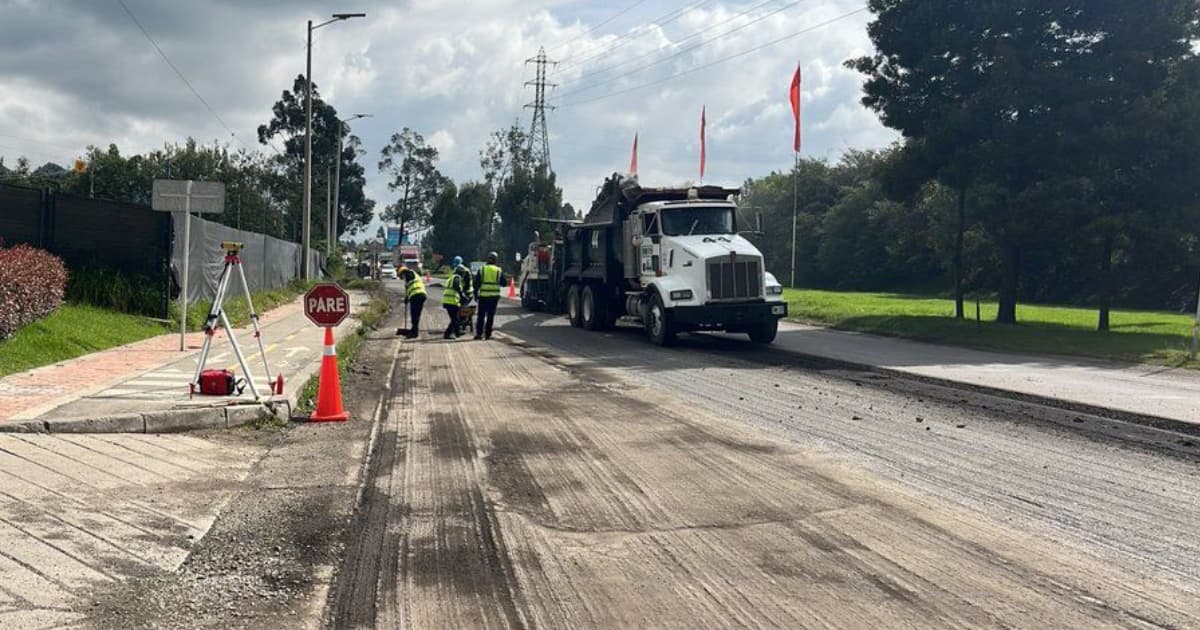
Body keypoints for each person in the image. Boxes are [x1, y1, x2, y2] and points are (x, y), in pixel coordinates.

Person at [473, 251, 506, 340]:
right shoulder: (498, 270)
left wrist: (475, 295)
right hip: (494, 297)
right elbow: (504, 283)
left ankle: (479, 334)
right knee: (490, 316)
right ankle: (488, 335)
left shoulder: (482, 269)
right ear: (496, 260)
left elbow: (476, 284)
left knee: (481, 315)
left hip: (483, 296)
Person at [397, 267, 426, 338]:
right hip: (420, 295)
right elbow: (408, 290)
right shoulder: (411, 277)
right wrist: (406, 298)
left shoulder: (410, 273)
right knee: (416, 315)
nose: (402, 278)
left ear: (403, 273)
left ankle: (414, 333)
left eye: (401, 276)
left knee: (414, 315)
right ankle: (414, 330)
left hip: (416, 295)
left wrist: (407, 283)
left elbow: (410, 278)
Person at [442, 268, 465, 340]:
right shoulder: (457, 277)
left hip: (447, 300)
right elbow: (456, 286)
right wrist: (462, 295)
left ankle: (457, 332)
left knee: (455, 318)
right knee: (454, 319)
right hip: (451, 301)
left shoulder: (451, 277)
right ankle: (447, 334)